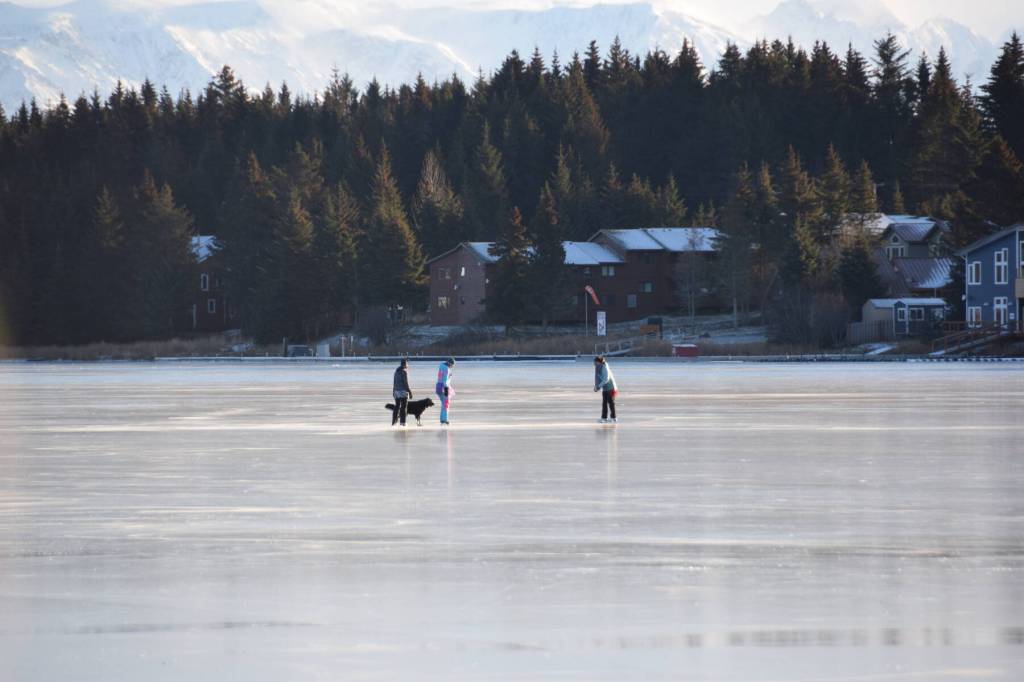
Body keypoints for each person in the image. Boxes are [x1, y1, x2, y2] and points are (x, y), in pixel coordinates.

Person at [593, 356, 618, 423]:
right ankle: (604, 418)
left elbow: (606, 379)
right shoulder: (598, 368)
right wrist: (596, 386)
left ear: (599, 362)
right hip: (604, 388)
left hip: (610, 387)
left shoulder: (604, 367)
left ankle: (614, 417)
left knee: (611, 403)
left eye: (595, 362)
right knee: (604, 403)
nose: (594, 363)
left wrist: (599, 386)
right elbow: (597, 378)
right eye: (594, 362)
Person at [392, 359, 412, 427]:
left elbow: (394, 382)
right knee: (404, 406)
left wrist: (393, 391)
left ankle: (394, 422)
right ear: (404, 364)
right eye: (407, 364)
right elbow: (405, 383)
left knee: (397, 406)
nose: (407, 365)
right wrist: (410, 391)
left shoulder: (396, 372)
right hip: (403, 391)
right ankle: (403, 422)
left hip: (396, 391)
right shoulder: (404, 372)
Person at [435, 357, 455, 426]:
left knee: (444, 404)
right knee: (446, 404)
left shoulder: (441, 366)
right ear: (450, 364)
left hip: (438, 387)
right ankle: (444, 420)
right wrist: (446, 389)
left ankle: (442, 419)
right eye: (452, 365)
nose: (452, 366)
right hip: (444, 388)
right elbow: (445, 380)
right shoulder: (447, 369)